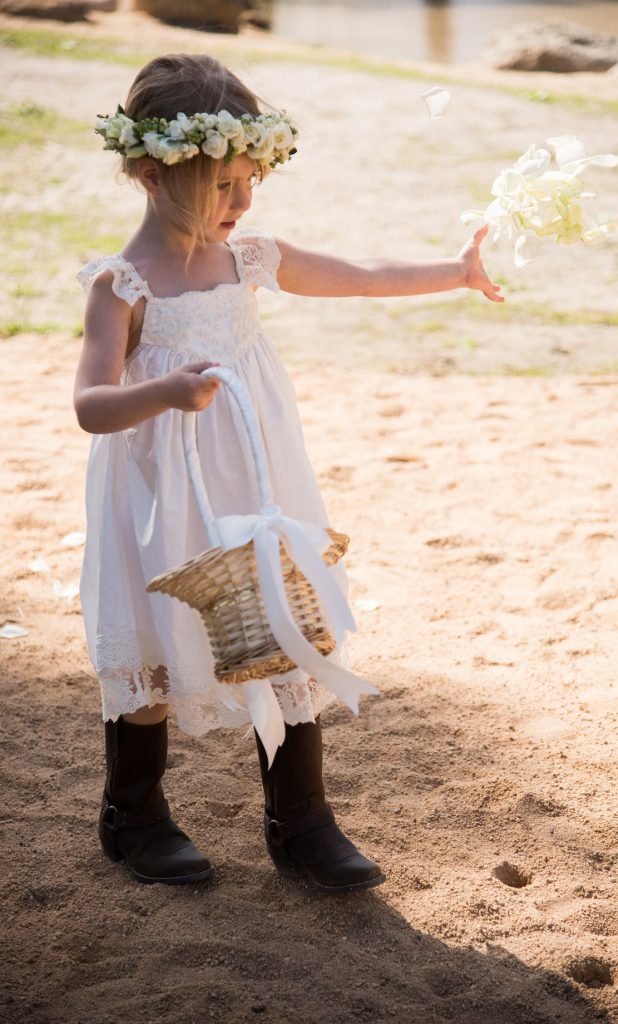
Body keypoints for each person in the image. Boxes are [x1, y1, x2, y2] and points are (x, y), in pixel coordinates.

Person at [74, 52, 504, 894]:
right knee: (153, 643)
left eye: (251, 184)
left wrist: (453, 273)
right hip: (159, 497)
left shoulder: (251, 258)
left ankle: (301, 821)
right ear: (156, 172)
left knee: (281, 629)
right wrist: (160, 388)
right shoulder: (121, 285)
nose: (243, 204)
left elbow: (359, 278)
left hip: (256, 490)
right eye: (226, 187)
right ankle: (135, 814)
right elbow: (91, 403)